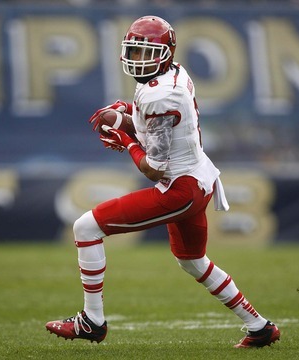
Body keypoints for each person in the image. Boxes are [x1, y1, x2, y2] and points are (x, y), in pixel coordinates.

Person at [45, 15, 280, 348]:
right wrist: (122, 113)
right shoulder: (172, 74)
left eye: (146, 52)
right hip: (197, 179)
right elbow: (148, 118)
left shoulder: (160, 97)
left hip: (179, 188)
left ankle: (92, 322)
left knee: (86, 227)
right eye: (135, 51)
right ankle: (260, 327)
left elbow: (153, 168)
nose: (138, 59)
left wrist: (124, 138)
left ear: (166, 53)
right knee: (192, 261)